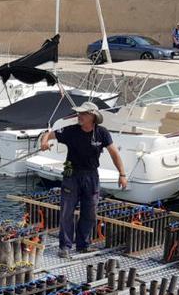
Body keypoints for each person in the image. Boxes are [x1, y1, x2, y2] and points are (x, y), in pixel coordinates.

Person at [39, 102, 127, 258]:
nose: (79, 116)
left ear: (92, 116)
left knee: (90, 212)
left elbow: (114, 153)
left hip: (91, 174)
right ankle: (65, 246)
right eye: (78, 113)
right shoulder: (70, 130)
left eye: (83, 114)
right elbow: (49, 134)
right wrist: (44, 142)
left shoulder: (102, 133)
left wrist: (122, 174)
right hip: (70, 171)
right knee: (67, 211)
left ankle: (83, 244)